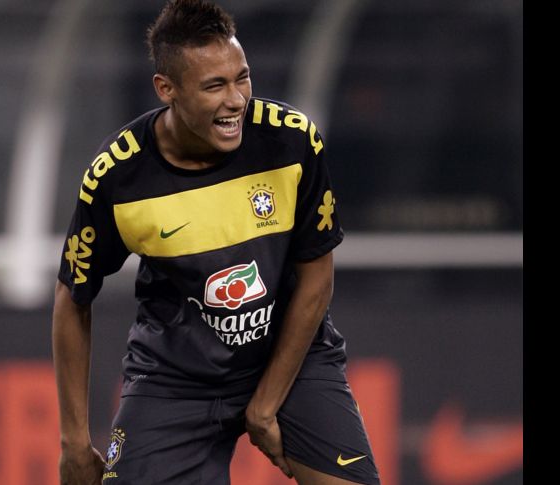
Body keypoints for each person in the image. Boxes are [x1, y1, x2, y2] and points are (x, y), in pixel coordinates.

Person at [52, 1, 380, 484]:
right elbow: (72, 299)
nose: (236, 100)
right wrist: (74, 443)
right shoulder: (118, 177)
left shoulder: (291, 144)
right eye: (214, 86)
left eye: (241, 78)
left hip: (289, 356)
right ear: (167, 89)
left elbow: (316, 280)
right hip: (174, 379)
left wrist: (265, 405)